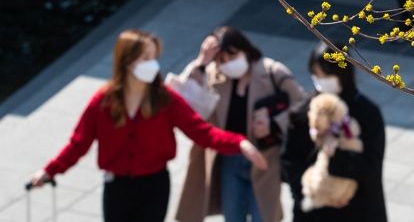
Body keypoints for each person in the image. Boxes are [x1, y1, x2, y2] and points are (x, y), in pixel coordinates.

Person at [28, 29, 267, 222]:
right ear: (127, 62)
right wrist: (50, 171)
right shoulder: (103, 102)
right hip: (117, 186)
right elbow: (78, 143)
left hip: (154, 184)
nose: (153, 64)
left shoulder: (165, 99)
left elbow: (200, 132)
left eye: (154, 57)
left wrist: (240, 143)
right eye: (146, 58)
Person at [175, 26, 306, 222]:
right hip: (230, 159)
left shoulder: (272, 72)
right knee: (233, 216)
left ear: (245, 49)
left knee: (264, 216)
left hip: (265, 159)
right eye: (222, 60)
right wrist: (201, 61)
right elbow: (182, 99)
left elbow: (302, 105)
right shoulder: (213, 75)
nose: (227, 64)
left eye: (232, 56)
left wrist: (274, 124)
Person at [282, 41, 387, 222]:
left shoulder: (366, 113)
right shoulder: (303, 112)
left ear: (343, 73)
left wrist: (337, 156)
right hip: (314, 211)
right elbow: (290, 162)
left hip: (357, 210)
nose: (320, 82)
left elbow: (371, 164)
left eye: (326, 75)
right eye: (316, 75)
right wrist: (311, 193)